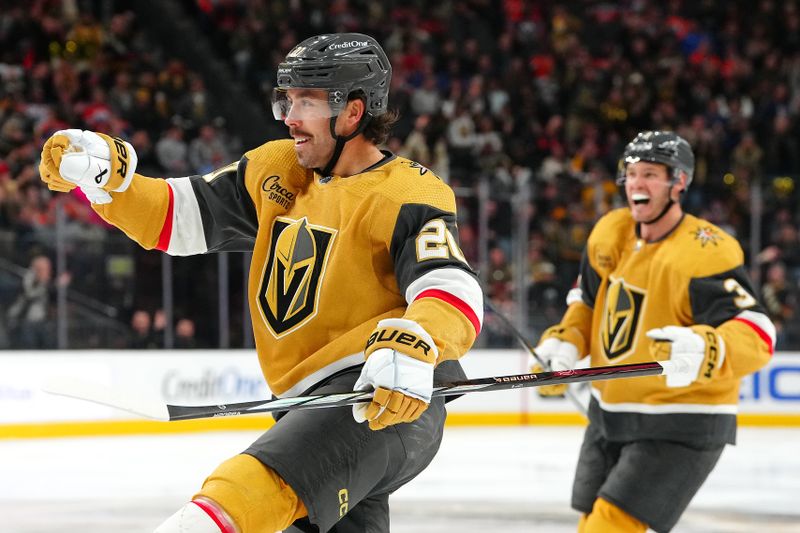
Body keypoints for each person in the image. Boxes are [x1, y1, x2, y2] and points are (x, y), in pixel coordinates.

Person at [38, 33, 483, 533]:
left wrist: (416, 339)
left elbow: (449, 285)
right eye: (287, 100)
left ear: (353, 113)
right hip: (305, 406)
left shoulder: (407, 192)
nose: (289, 116)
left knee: (233, 501)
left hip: (377, 400)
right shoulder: (277, 169)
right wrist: (109, 183)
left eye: (307, 102)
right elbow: (174, 218)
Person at [531, 131, 775, 533]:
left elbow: (758, 330)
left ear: (678, 182)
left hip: (683, 419)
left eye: (650, 174)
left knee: (609, 526)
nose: (637, 184)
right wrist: (566, 342)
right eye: (631, 174)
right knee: (592, 522)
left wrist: (705, 348)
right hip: (611, 413)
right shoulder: (611, 233)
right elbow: (587, 304)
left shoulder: (704, 250)